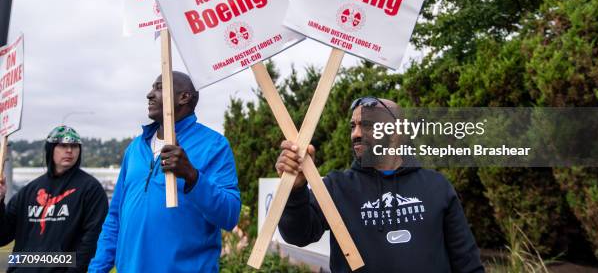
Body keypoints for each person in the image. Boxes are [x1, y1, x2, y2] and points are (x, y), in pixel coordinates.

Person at [276, 97, 484, 272]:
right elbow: (298, 235)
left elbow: (467, 262)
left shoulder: (437, 186)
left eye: (367, 125)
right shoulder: (336, 187)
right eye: (353, 125)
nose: (356, 133)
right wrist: (295, 190)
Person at [89, 71, 240, 273]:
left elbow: (229, 216)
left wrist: (192, 176)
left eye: (159, 87)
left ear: (184, 97)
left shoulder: (214, 145)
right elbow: (115, 217)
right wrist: (96, 269)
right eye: (152, 87)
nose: (149, 94)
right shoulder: (135, 148)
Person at [0, 126, 109, 272]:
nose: (69, 150)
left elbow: (92, 240)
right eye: (63, 145)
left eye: (74, 146)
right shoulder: (28, 191)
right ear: (51, 149)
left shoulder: (90, 189)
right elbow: (2, 236)